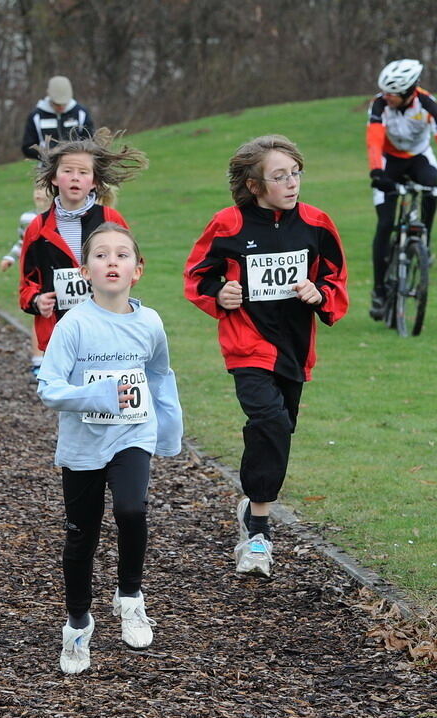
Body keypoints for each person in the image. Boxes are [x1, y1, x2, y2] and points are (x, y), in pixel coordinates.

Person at [183, 135, 348, 578]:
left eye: (295, 173)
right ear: (255, 185)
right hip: (247, 345)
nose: (291, 183)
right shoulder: (229, 224)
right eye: (279, 176)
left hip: (295, 348)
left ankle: (252, 510)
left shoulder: (316, 223)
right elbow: (198, 276)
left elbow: (336, 280)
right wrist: (222, 292)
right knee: (270, 422)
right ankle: (258, 532)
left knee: (280, 429)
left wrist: (320, 294)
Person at [37, 223, 182, 674]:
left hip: (132, 434)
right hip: (83, 444)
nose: (112, 261)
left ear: (137, 270)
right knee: (82, 534)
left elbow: (160, 375)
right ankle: (78, 623)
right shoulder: (74, 324)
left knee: (131, 511)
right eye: (101, 255)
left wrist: (169, 428)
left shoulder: (150, 322)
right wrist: (97, 396)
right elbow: (49, 388)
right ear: (85, 270)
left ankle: (130, 596)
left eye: (122, 255)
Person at [19, 128, 147, 353]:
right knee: (62, 388)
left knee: (104, 387)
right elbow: (27, 283)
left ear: (94, 181)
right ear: (54, 178)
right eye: (68, 171)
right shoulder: (38, 228)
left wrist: (111, 283)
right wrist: (37, 301)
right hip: (58, 332)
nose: (75, 177)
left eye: (83, 172)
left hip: (106, 326)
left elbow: (134, 266)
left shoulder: (110, 219)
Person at [367, 59, 437, 320]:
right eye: (384, 91)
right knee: (386, 223)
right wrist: (377, 172)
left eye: (392, 93)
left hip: (419, 157)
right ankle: (378, 290)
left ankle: (425, 239)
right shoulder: (379, 105)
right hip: (390, 160)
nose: (386, 97)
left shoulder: (428, 105)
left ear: (409, 91)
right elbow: (374, 142)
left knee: (431, 186)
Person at [1, 185, 53, 380]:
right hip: (35, 275)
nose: (39, 193)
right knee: (39, 316)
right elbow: (21, 242)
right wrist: (10, 258)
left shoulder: (61, 218)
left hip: (55, 273)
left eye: (44, 189)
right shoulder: (26, 218)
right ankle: (38, 361)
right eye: (37, 189)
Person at [21, 76, 94, 160]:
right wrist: (47, 153)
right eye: (57, 104)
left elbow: (90, 141)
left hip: (76, 163)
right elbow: (27, 148)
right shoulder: (36, 116)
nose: (61, 107)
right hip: (47, 167)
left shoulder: (81, 113)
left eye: (64, 103)